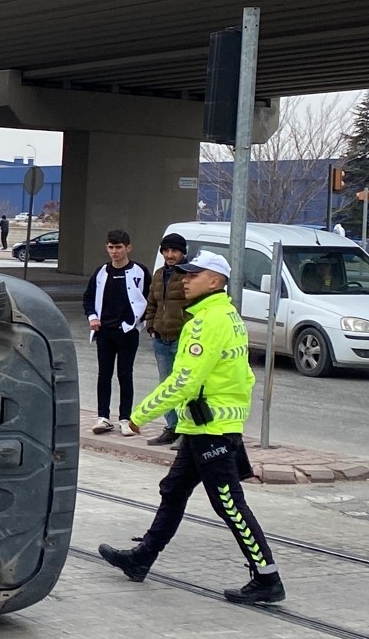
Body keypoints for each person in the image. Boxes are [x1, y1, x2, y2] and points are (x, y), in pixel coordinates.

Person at [98, 250, 284, 605]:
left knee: (228, 503)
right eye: (184, 273)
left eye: (193, 274)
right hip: (208, 424)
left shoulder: (206, 321)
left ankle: (267, 577)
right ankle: (141, 559)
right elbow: (243, 376)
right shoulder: (227, 315)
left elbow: (183, 380)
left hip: (211, 427)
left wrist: (140, 415)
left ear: (214, 281)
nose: (184, 278)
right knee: (174, 490)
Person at [83, 229, 148, 436]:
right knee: (104, 374)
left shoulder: (139, 271)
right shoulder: (101, 272)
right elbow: (88, 297)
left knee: (125, 374)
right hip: (105, 332)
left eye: (118, 247)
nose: (114, 251)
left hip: (128, 332)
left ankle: (125, 418)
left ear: (128, 248)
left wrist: (134, 322)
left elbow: (149, 299)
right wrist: (93, 317)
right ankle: (103, 416)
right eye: (111, 247)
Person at [142, 233, 190, 446]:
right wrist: (151, 326)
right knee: (166, 386)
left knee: (185, 386)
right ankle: (171, 428)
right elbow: (152, 302)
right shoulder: (159, 274)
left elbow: (194, 307)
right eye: (167, 251)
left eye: (175, 251)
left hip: (182, 339)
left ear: (183, 252)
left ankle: (185, 431)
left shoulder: (190, 275)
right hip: (161, 339)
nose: (170, 255)